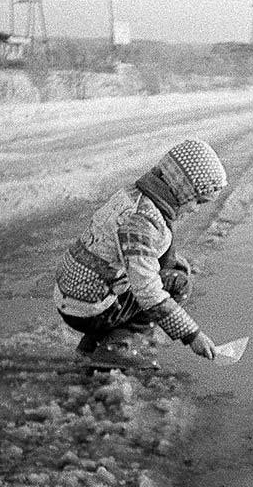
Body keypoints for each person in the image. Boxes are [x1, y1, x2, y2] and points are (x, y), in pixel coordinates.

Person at [53, 138, 227, 363]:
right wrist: (192, 335)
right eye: (198, 201)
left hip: (75, 293)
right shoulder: (143, 221)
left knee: (172, 269)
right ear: (183, 189)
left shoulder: (136, 194)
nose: (195, 210)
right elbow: (147, 290)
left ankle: (92, 344)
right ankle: (113, 349)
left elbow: (126, 250)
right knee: (177, 284)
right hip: (88, 307)